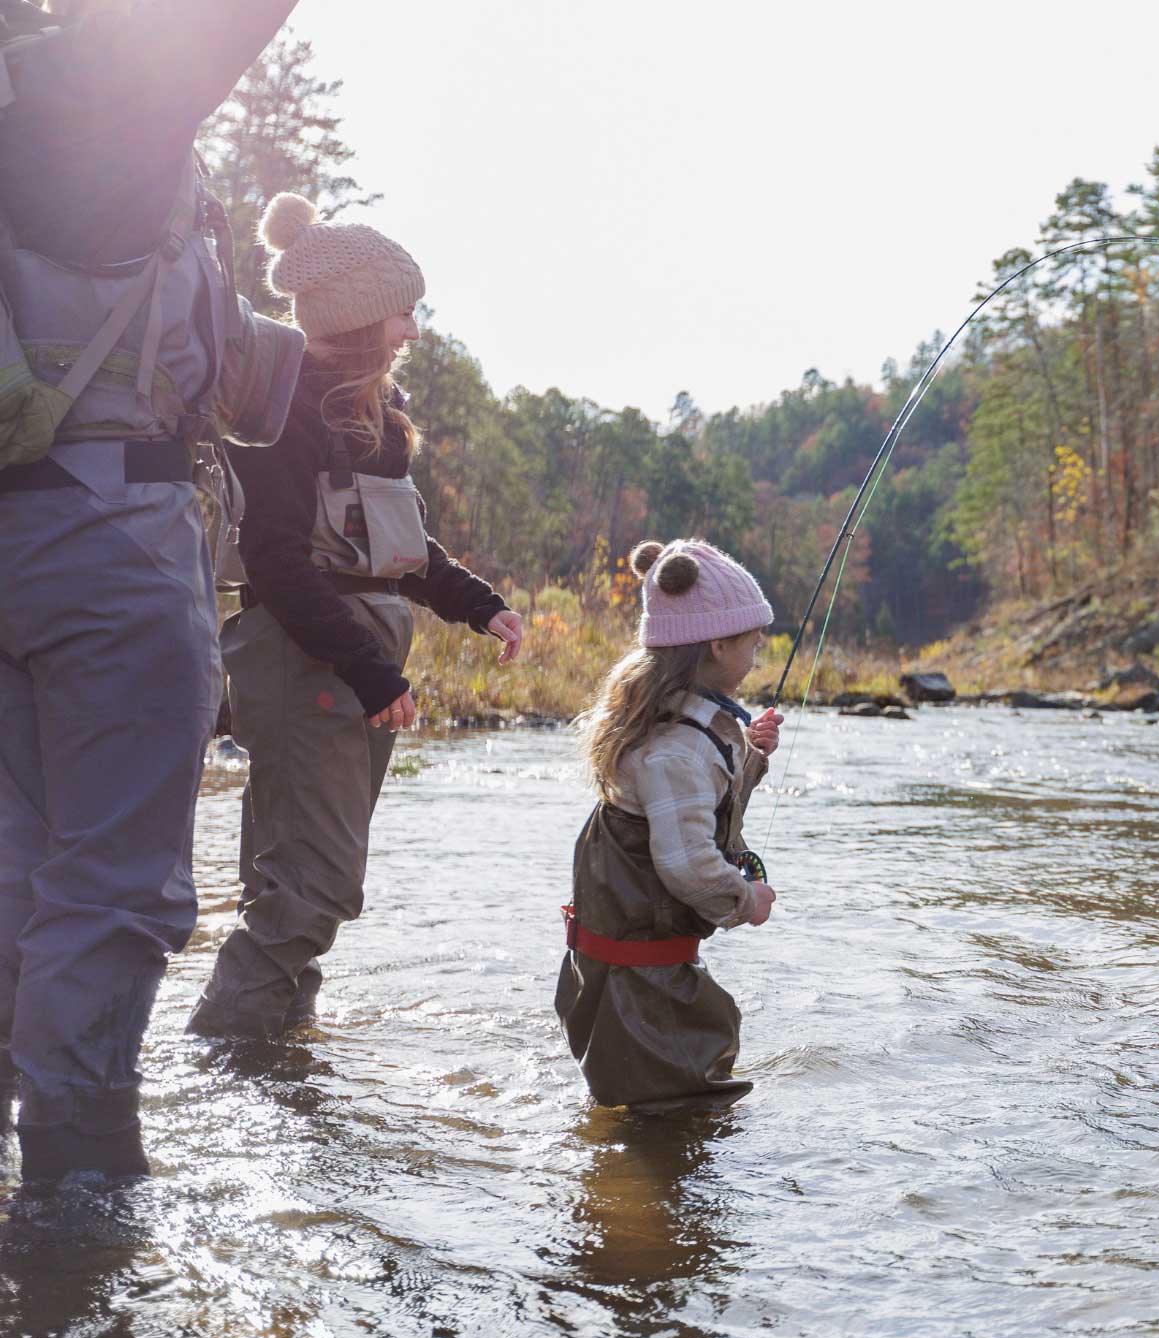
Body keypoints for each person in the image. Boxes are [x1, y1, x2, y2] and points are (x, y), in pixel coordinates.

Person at [0, 0, 303, 1183]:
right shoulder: (100, 91)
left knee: (18, 869)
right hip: (105, 534)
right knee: (115, 885)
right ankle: (77, 1199)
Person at [185, 194, 528, 1040]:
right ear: (361, 314)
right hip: (312, 665)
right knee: (318, 885)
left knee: (287, 880)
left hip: (344, 664)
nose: (412, 327)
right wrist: (370, 672)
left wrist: (478, 607)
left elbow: (389, 551)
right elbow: (276, 563)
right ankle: (223, 1048)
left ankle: (275, 1063)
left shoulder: (372, 415)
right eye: (402, 311)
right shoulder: (284, 410)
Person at [557, 539, 785, 1111]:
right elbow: (686, 865)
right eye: (753, 636)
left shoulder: (678, 723)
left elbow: (696, 803)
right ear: (717, 642)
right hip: (643, 992)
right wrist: (744, 899)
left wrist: (750, 756)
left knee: (647, 1113)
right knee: (680, 1118)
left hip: (628, 980)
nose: (759, 647)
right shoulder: (677, 751)